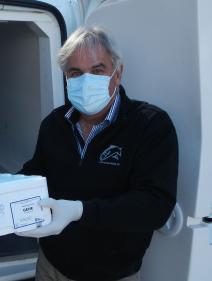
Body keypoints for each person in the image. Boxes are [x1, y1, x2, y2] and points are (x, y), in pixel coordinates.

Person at [17, 26, 178, 281]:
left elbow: (154, 206)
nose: (86, 80)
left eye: (97, 70)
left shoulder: (150, 125)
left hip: (112, 275)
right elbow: (36, 174)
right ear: (67, 79)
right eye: (76, 72)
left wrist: (81, 211)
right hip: (51, 266)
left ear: (117, 73)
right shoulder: (55, 124)